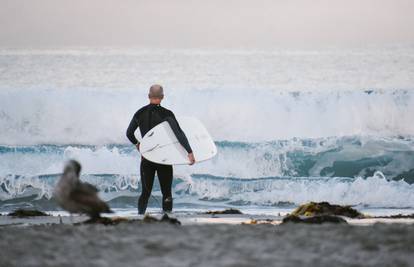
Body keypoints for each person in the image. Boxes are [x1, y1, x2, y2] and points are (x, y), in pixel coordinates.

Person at [126, 84, 195, 214]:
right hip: (164, 159)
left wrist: (138, 144)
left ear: (148, 96)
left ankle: (140, 218)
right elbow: (178, 133)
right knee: (167, 193)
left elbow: (129, 133)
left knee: (145, 193)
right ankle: (167, 219)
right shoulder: (166, 114)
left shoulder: (139, 113)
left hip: (147, 158)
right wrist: (189, 152)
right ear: (162, 97)